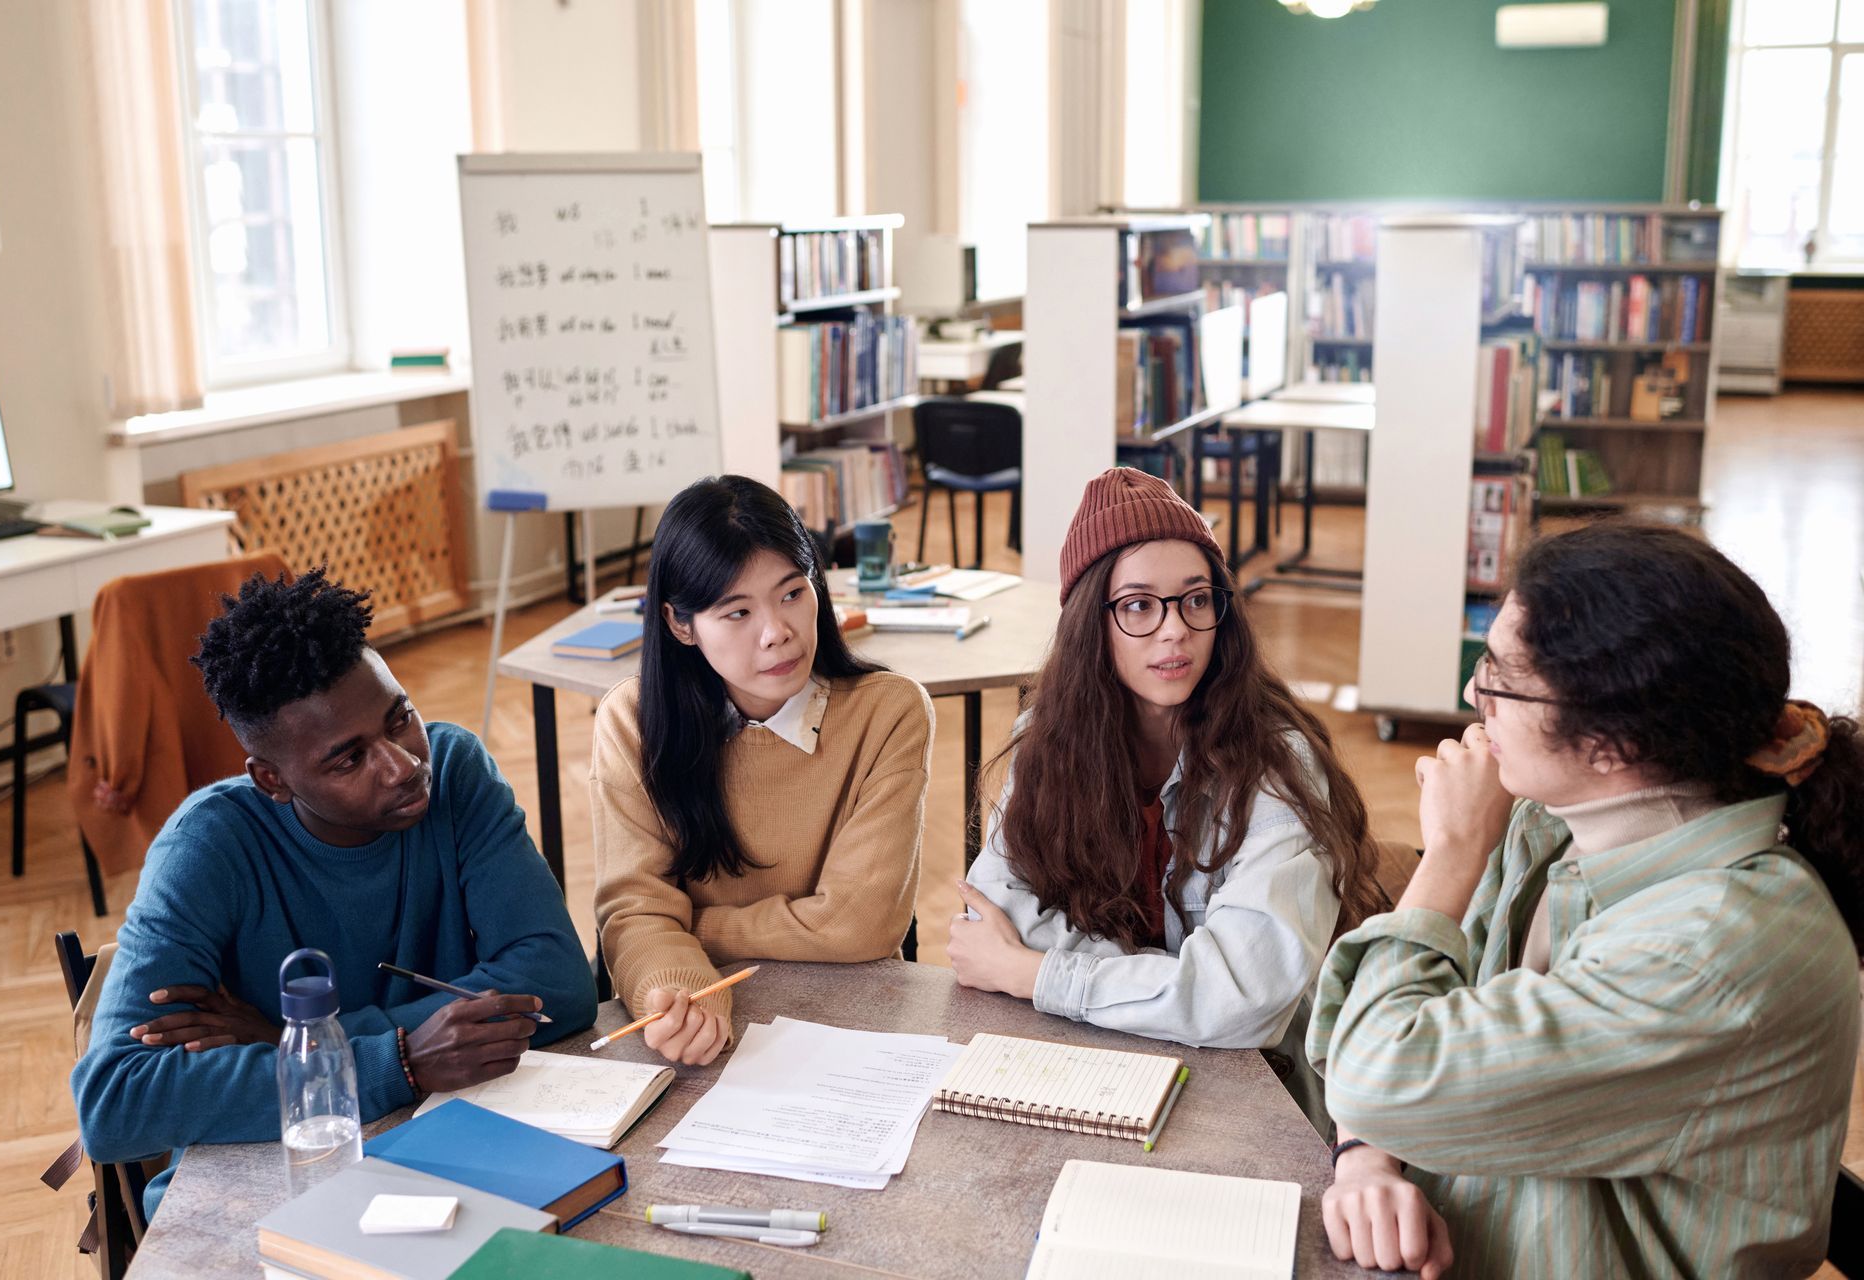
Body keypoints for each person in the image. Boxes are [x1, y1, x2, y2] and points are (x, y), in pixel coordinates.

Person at [1309, 522, 1863, 1279]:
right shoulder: (1553, 819)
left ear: (1613, 744)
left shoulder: (1710, 951)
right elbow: (1394, 1057)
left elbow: (1379, 1071)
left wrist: (1450, 855)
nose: (1475, 696)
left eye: (1501, 679)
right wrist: (1365, 1160)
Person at [71, 569, 594, 1215]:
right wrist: (393, 1062)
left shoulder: (454, 772)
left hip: (458, 1140)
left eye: (400, 718)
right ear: (272, 779)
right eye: (348, 759)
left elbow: (561, 986)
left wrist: (295, 1044)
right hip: (270, 1180)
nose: (403, 765)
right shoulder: (206, 846)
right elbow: (115, 1101)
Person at [950, 467, 1386, 1132]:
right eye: (1137, 605)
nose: (1174, 630)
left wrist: (1041, 975)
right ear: (1089, 624)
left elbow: (1244, 1003)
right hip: (1090, 1067)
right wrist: (1184, 985)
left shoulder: (1279, 765)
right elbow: (993, 921)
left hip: (1258, 1099)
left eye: (1195, 600)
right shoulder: (1045, 740)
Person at [592, 476, 934, 1066]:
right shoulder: (633, 721)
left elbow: (860, 924)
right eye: (737, 612)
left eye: (792, 594)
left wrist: (690, 925)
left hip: (854, 1024)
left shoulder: (888, 711)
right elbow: (635, 910)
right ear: (680, 625)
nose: (777, 632)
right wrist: (679, 986)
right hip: (706, 1029)